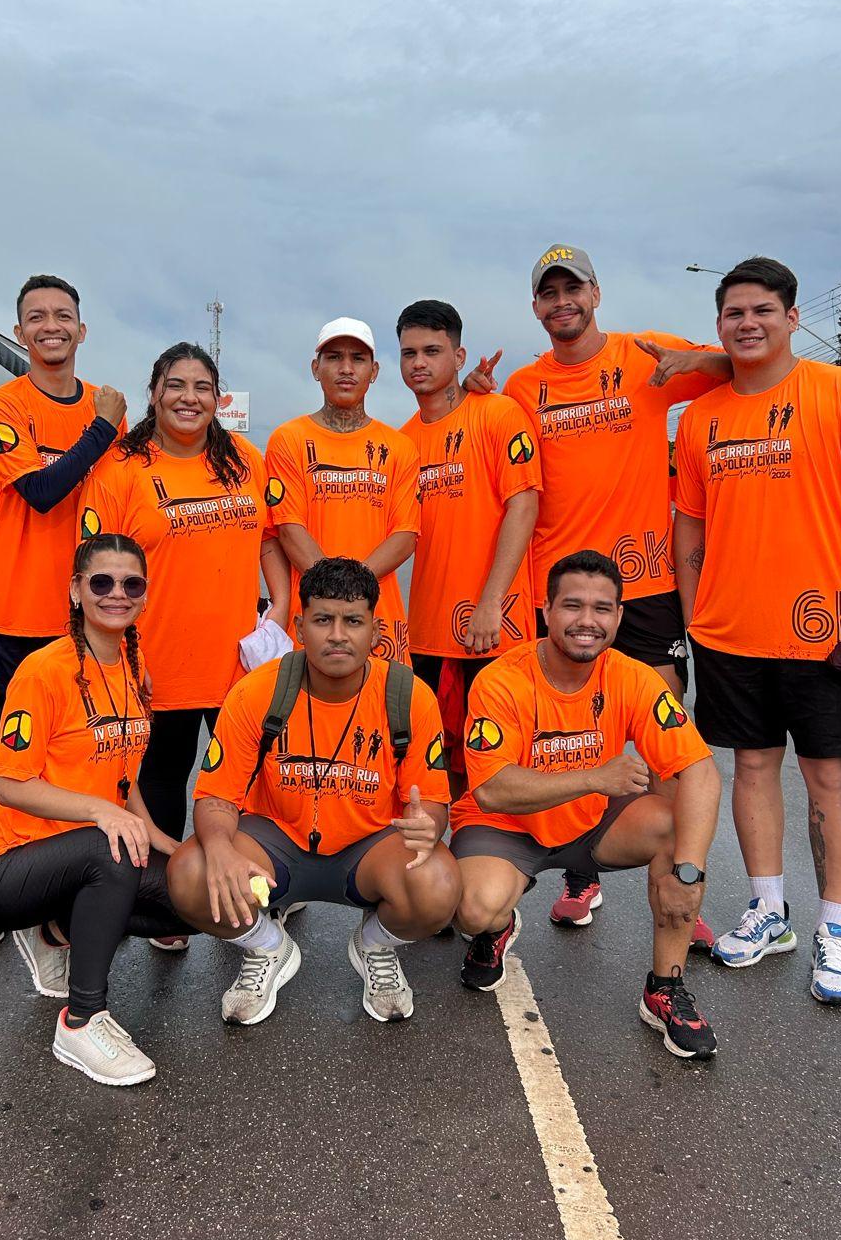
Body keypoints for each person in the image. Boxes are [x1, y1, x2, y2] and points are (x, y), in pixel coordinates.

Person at [469, 243, 729, 931]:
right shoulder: (525, 388)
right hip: (557, 590)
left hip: (642, 587)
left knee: (667, 741)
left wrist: (695, 362)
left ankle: (677, 886)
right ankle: (580, 876)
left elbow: (746, 364)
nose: (563, 302)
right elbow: (497, 452)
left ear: (596, 293)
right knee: (564, 736)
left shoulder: (648, 356)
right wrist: (473, 399)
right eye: (549, 293)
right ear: (536, 307)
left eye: (573, 289)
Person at [673, 256, 841, 1006]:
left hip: (826, 636)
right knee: (750, 772)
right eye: (734, 313)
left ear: (792, 318)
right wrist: (692, 622)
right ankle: (769, 911)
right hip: (730, 635)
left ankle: (834, 932)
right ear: (719, 325)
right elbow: (689, 533)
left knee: (830, 782)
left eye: (762, 311)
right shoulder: (704, 417)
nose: (747, 323)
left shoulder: (840, 392)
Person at [452, 551, 721, 1059]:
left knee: (673, 824)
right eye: (572, 606)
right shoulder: (501, 679)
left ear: (619, 617)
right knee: (474, 907)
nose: (587, 621)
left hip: (593, 825)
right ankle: (497, 927)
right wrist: (596, 776)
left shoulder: (634, 677)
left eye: (602, 609)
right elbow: (490, 789)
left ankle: (664, 988)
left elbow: (701, 771)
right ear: (547, 609)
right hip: (507, 827)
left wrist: (689, 873)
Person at [167, 558, 459, 1025]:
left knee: (438, 885)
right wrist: (220, 846)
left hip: (368, 851)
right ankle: (267, 946)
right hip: (277, 849)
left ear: (376, 629)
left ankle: (376, 946)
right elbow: (216, 796)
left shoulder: (408, 695)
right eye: (323, 620)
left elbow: (435, 804)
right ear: (300, 627)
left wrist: (430, 829)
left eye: (353, 621)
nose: (338, 635)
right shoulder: (256, 692)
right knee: (190, 872)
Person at [79, 343, 290, 956]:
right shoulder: (123, 467)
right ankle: (169, 901)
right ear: (154, 392)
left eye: (202, 387)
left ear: (217, 397)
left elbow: (268, 539)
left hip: (236, 665)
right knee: (163, 782)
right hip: (157, 663)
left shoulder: (242, 460)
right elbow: (97, 567)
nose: (189, 397)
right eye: (176, 385)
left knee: (244, 783)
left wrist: (277, 601)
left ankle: (252, 890)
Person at [0, 534, 185, 1085]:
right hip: (0, 864)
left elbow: (122, 778)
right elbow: (7, 783)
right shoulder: (43, 671)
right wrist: (101, 814)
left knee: (189, 897)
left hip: (77, 854)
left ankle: (55, 931)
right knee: (113, 852)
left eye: (132, 584)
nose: (117, 594)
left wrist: (171, 845)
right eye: (101, 582)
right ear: (76, 591)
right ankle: (81, 1021)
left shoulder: (134, 662)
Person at [0, 274, 127, 950]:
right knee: (12, 761)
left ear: (81, 330)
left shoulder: (108, 407)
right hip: (19, 612)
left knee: (95, 752)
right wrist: (101, 429)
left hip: (95, 617)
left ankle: (83, 884)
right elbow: (38, 491)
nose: (51, 325)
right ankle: (0, 891)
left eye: (64, 315)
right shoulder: (6, 405)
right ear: (23, 330)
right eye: (37, 316)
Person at [397, 298, 542, 794]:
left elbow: (523, 508)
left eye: (432, 351)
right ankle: (453, 866)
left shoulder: (499, 414)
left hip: (492, 626)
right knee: (440, 769)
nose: (419, 363)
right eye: (409, 352)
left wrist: (490, 603)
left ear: (459, 358)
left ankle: (518, 868)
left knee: (501, 766)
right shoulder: (402, 442)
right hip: (428, 634)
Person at [265, 319, 420, 663]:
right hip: (312, 617)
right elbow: (289, 530)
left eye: (358, 359)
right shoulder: (288, 440)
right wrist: (335, 596)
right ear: (315, 368)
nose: (346, 369)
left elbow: (405, 535)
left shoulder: (399, 447)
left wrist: (354, 592)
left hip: (379, 616)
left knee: (384, 710)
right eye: (334, 357)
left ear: (374, 370)